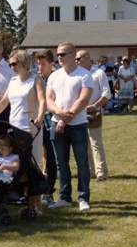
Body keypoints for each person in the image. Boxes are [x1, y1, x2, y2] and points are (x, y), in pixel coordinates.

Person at [0, 49, 47, 213]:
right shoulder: (12, 81)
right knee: (20, 168)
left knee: (31, 167)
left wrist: (39, 118)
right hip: (14, 129)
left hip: (30, 128)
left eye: (14, 63)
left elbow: (42, 101)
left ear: (23, 62)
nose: (11, 67)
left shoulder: (36, 79)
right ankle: (27, 203)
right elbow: (3, 102)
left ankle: (37, 206)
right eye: (10, 64)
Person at [46, 42, 93, 211]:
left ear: (73, 55)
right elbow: (48, 100)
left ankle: (83, 198)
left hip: (78, 125)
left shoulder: (85, 75)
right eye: (58, 54)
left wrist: (64, 119)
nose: (59, 57)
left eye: (63, 54)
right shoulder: (54, 76)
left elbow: (83, 100)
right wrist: (59, 114)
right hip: (56, 124)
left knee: (82, 162)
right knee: (61, 163)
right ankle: (64, 197)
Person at [77, 51, 111, 182]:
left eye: (79, 58)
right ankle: (90, 170)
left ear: (87, 58)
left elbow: (107, 94)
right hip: (79, 112)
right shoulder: (78, 75)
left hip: (93, 113)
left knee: (95, 142)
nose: (77, 61)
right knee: (83, 143)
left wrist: (94, 106)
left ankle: (101, 171)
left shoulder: (98, 73)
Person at [35, 49, 57, 205]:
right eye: (38, 64)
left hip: (50, 124)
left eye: (43, 64)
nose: (40, 67)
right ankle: (36, 189)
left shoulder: (55, 80)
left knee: (51, 159)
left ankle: (49, 192)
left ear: (51, 64)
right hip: (37, 124)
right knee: (35, 158)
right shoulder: (37, 79)